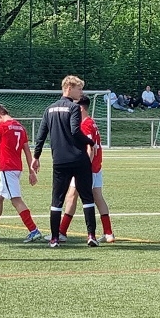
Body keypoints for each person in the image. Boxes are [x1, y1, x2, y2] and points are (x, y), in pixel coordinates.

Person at [31, 75, 98, 248]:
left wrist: (36, 157)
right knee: (87, 197)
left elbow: (41, 136)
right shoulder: (74, 108)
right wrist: (90, 142)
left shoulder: (49, 109)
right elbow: (75, 131)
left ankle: (54, 239)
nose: (81, 92)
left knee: (57, 200)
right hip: (78, 158)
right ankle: (91, 236)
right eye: (79, 89)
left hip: (59, 161)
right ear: (69, 87)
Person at [0, 104, 43, 243]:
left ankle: (34, 230)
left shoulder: (3, 126)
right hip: (16, 168)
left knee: (16, 200)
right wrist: (31, 171)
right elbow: (27, 151)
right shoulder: (20, 127)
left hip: (7, 168)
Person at [59, 96, 115, 243]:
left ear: (80, 108)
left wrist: (85, 167)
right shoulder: (92, 122)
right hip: (96, 167)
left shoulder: (85, 124)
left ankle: (62, 232)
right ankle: (108, 233)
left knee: (71, 196)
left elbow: (90, 148)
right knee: (98, 198)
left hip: (87, 167)